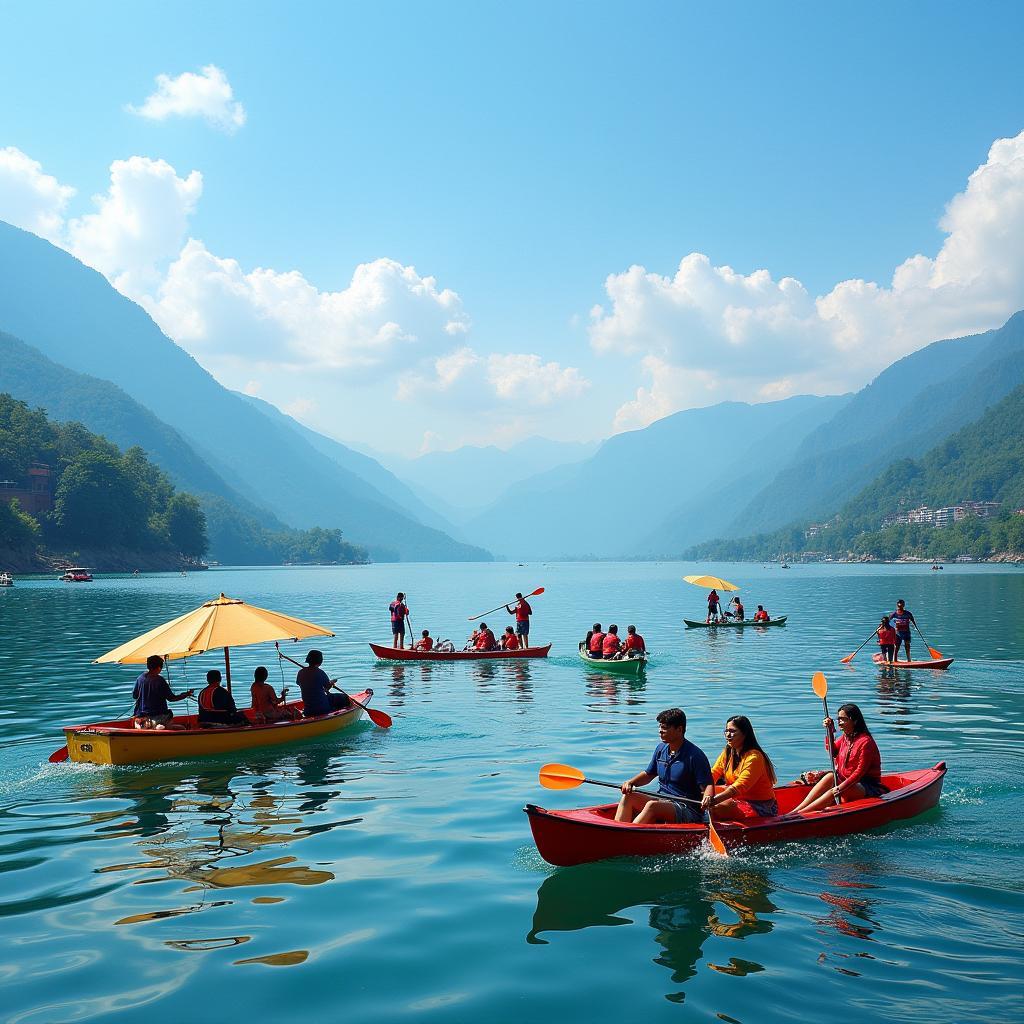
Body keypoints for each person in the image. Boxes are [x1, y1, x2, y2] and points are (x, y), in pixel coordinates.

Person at [615, 708, 713, 824]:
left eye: (665, 728)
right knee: (628, 796)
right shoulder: (660, 749)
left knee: (652, 806)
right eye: (660, 727)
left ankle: (628, 834)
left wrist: (707, 797)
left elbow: (708, 785)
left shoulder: (695, 756)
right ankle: (618, 829)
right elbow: (649, 774)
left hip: (687, 808)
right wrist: (631, 783)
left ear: (679, 729)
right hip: (662, 799)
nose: (660, 731)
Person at [792, 702, 888, 814]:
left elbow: (859, 772)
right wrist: (830, 731)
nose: (840, 723)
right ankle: (797, 810)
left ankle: (800, 814)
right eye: (838, 719)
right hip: (847, 782)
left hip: (867, 787)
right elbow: (832, 752)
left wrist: (840, 788)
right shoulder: (845, 738)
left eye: (843, 719)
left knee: (836, 785)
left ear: (854, 721)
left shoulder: (866, 742)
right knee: (831, 776)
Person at [702, 716, 779, 820]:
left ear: (744, 733)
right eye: (726, 731)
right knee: (701, 793)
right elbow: (713, 773)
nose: (728, 735)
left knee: (718, 807)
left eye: (732, 731)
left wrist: (714, 800)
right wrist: (702, 790)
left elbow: (740, 786)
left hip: (761, 806)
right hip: (737, 799)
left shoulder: (754, 757)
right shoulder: (728, 752)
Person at [132, 654, 194, 729]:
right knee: (181, 727)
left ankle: (151, 726)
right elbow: (171, 698)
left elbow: (135, 696)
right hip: (157, 717)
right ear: (159, 668)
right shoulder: (160, 680)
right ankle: (160, 726)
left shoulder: (140, 678)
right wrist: (186, 694)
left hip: (140, 718)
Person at [296, 649, 351, 717]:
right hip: (322, 708)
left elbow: (299, 683)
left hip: (308, 708)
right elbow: (327, 687)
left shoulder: (301, 672)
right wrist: (331, 683)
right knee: (344, 697)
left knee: (331, 697)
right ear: (320, 661)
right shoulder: (320, 672)